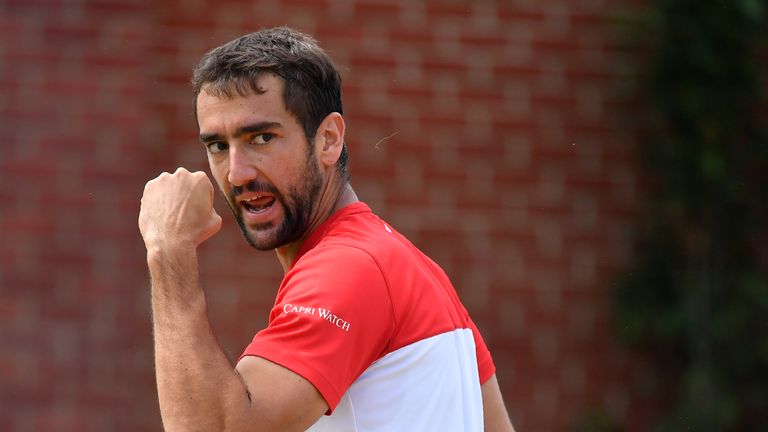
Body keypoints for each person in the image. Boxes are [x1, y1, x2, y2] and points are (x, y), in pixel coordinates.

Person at [138, 26, 515, 432]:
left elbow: (218, 427)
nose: (237, 172)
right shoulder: (412, 270)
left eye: (261, 137)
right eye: (218, 146)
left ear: (329, 140)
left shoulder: (349, 267)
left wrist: (169, 249)